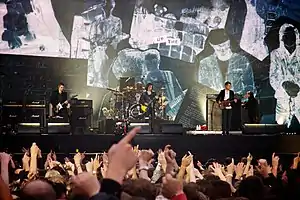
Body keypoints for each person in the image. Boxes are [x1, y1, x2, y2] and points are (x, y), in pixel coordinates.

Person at [198, 29, 256, 96]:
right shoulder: (205, 63)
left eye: (225, 45)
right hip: (214, 104)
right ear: (211, 45)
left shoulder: (242, 61)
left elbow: (250, 88)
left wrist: (239, 100)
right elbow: (202, 90)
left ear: (229, 42)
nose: (222, 50)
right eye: (218, 48)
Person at [269, 23, 300, 128]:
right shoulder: (275, 54)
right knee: (280, 126)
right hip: (282, 99)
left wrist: (297, 87)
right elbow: (273, 77)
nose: (290, 39)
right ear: (282, 38)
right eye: (286, 36)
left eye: (292, 36)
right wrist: (284, 85)